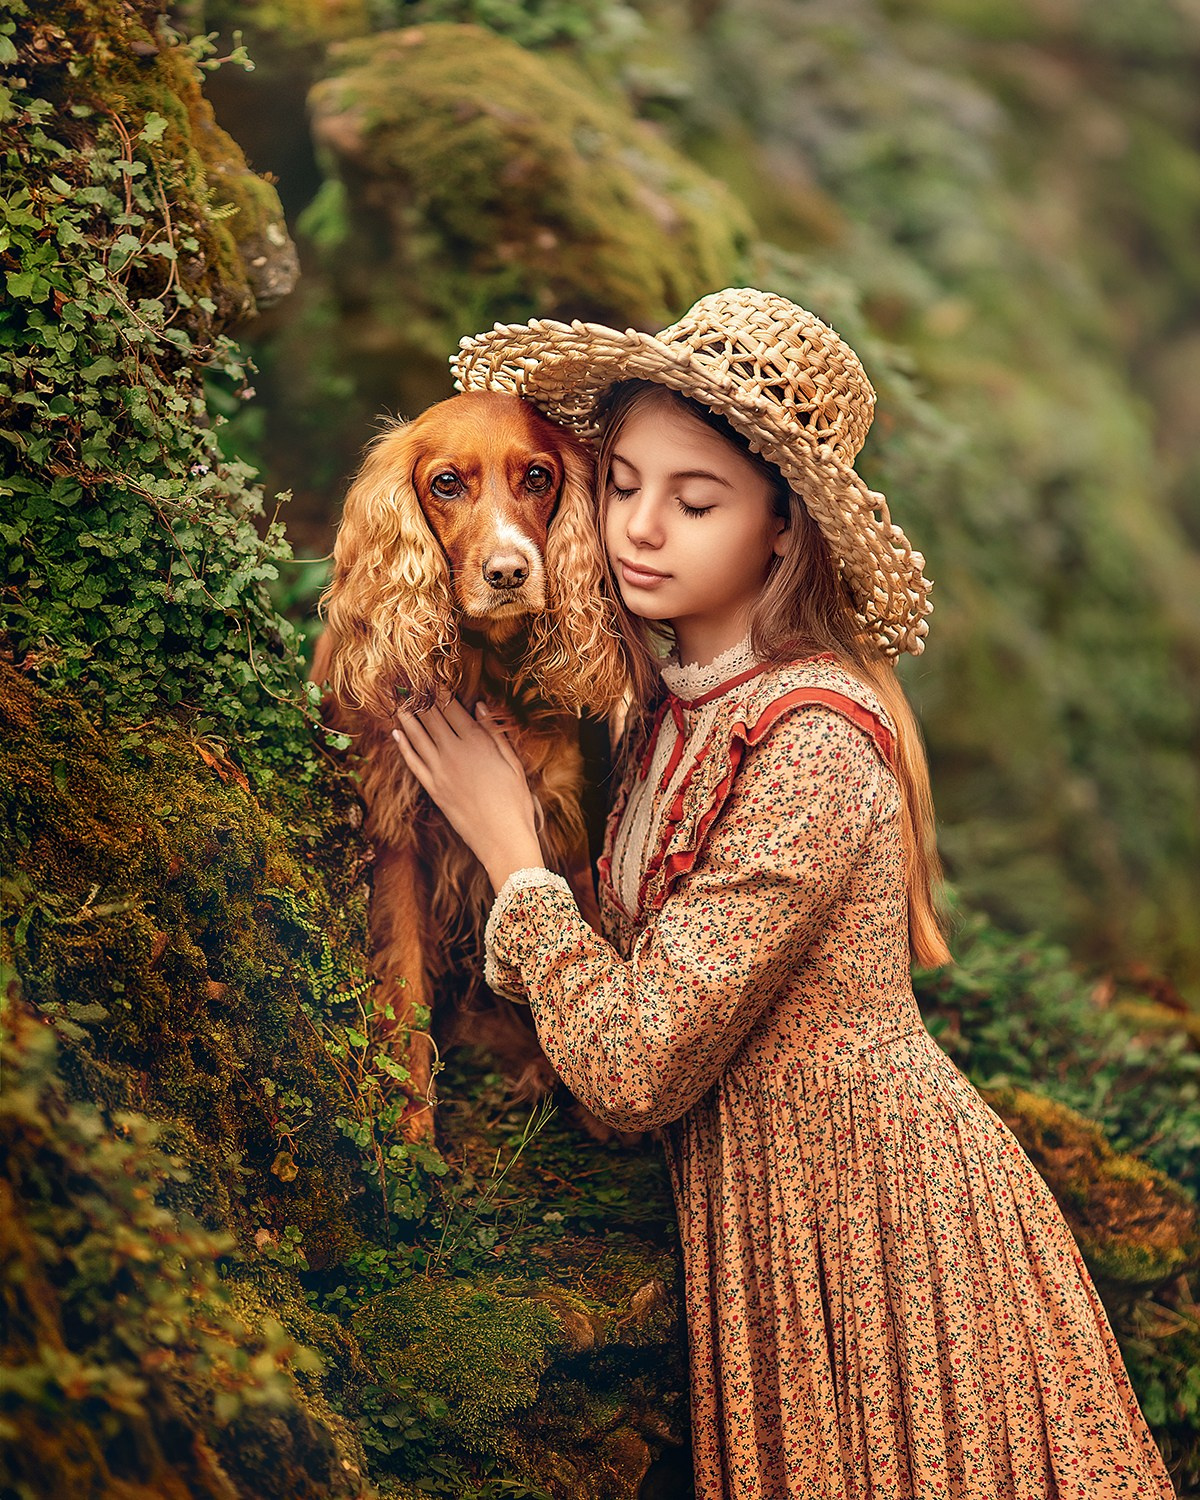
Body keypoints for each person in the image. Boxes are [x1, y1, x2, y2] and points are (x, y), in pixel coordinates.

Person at [390, 288, 1176, 1500]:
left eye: (696, 501)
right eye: (622, 485)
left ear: (780, 530)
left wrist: (513, 855)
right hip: (759, 1212)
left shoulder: (812, 745)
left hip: (880, 1223)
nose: (641, 526)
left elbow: (637, 1067)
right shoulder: (659, 709)